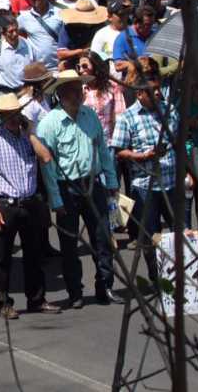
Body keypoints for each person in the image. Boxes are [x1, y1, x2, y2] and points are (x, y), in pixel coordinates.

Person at [37, 70, 122, 307]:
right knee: (69, 244)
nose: (78, 94)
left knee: (102, 238)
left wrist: (112, 181)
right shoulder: (49, 124)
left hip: (92, 183)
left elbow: (102, 149)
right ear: (62, 94)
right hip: (67, 188)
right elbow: (48, 167)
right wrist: (56, 199)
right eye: (73, 90)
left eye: (79, 89)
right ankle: (75, 292)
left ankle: (105, 286)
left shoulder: (90, 116)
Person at [0, 94, 60, 319]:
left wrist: (30, 134)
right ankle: (4, 303)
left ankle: (36, 299)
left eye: (17, 115)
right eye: (9, 116)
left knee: (34, 254)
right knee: (2, 257)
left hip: (30, 201)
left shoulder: (28, 138)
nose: (14, 119)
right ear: (2, 117)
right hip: (7, 203)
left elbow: (46, 158)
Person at [110, 71, 180, 282]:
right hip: (145, 186)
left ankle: (180, 279)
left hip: (172, 182)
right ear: (140, 94)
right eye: (152, 90)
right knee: (150, 237)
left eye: (158, 88)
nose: (158, 93)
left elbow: (179, 140)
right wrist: (143, 156)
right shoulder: (127, 118)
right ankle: (157, 278)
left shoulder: (170, 110)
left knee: (179, 233)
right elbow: (119, 150)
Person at [17, 0, 62, 69]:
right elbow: (11, 31)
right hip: (37, 71)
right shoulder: (24, 17)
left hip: (59, 67)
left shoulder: (59, 13)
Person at [0, 17, 34, 92]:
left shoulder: (26, 44)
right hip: (6, 94)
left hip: (26, 91)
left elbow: (33, 64)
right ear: (3, 33)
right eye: (11, 31)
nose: (15, 34)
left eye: (16, 30)